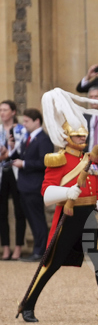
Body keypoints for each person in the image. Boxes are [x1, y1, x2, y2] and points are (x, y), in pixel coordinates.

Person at [18, 88, 98, 323]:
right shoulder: (57, 159)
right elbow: (46, 192)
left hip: (90, 215)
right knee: (52, 263)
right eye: (78, 136)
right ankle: (28, 305)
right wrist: (68, 191)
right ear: (67, 137)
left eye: (83, 136)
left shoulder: (90, 159)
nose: (82, 139)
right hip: (70, 215)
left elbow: (96, 192)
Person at [11, 108, 51, 261]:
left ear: (37, 121)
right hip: (25, 185)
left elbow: (44, 162)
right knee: (32, 219)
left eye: (27, 121)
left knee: (37, 218)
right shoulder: (28, 137)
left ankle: (41, 251)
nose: (24, 124)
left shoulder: (43, 139)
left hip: (35, 185)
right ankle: (38, 249)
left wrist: (25, 163)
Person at [0, 100, 27, 260]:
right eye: (0, 110)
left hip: (17, 172)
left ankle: (18, 247)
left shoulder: (21, 130)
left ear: (13, 112)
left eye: (5, 110)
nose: (2, 113)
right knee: (2, 212)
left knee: (19, 211)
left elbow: (23, 152)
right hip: (2, 173)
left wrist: (8, 152)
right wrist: (6, 154)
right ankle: (5, 248)